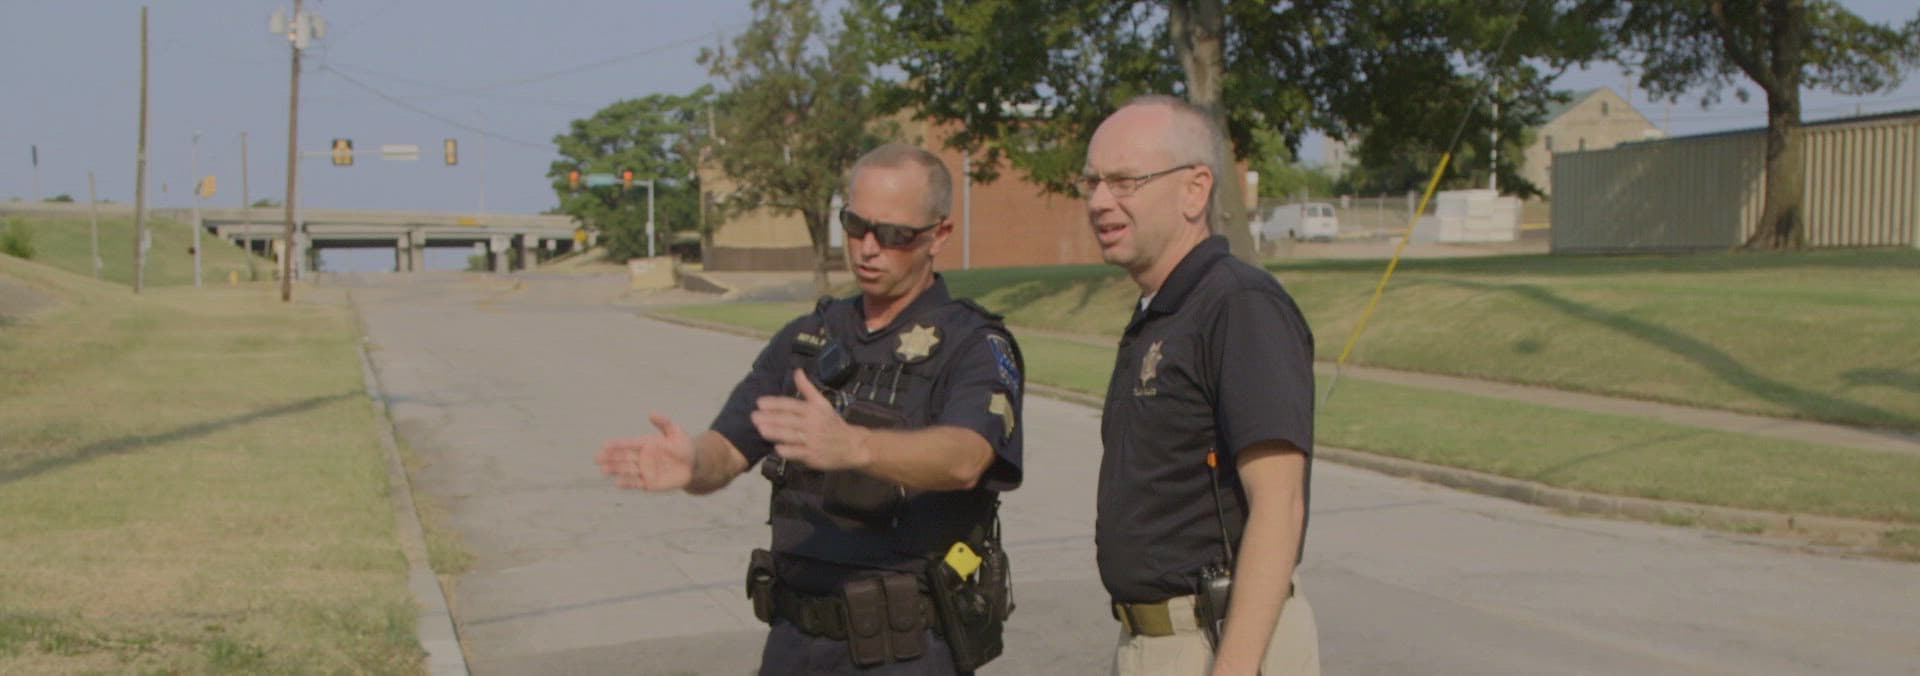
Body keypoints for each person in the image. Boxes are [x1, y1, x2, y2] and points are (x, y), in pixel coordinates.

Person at [597, 143, 1024, 675]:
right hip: (794, 643)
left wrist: (857, 446)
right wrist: (693, 464)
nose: (868, 248)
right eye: (856, 226)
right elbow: (728, 448)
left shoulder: (973, 344)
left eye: (894, 234)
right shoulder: (807, 339)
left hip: (906, 650)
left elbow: (967, 457)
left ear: (939, 235)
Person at [1081, 96, 1321, 675]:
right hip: (1155, 642)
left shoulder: (1238, 304)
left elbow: (1279, 504)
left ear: (1195, 190)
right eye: (1091, 182)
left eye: (1125, 181)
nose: (1099, 201)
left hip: (1219, 641)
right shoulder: (1164, 311)